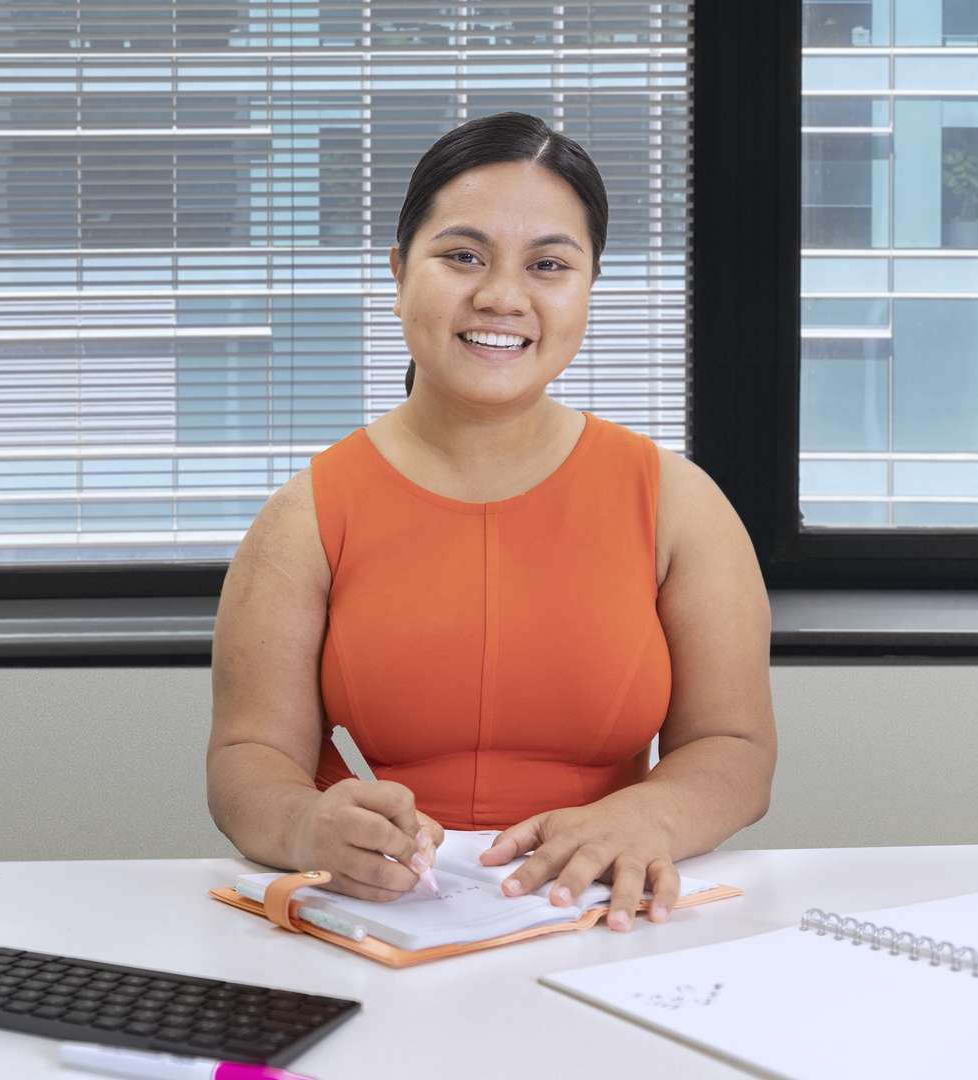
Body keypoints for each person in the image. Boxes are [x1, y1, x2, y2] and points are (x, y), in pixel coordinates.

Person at [205, 112, 776, 932]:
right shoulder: (303, 516)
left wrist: (648, 819)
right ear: (401, 269)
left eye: (548, 264)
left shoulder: (680, 503)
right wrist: (305, 824)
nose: (502, 297)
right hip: (378, 921)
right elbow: (246, 761)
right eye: (463, 256)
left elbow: (735, 747)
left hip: (608, 920)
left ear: (588, 287)